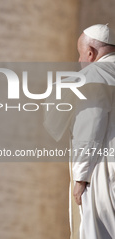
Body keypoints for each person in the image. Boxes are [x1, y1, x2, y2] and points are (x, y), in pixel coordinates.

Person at [44, 24, 115, 239]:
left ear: (91, 53)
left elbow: (92, 124)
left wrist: (81, 176)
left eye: (80, 54)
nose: (79, 61)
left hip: (104, 172)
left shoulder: (95, 74)